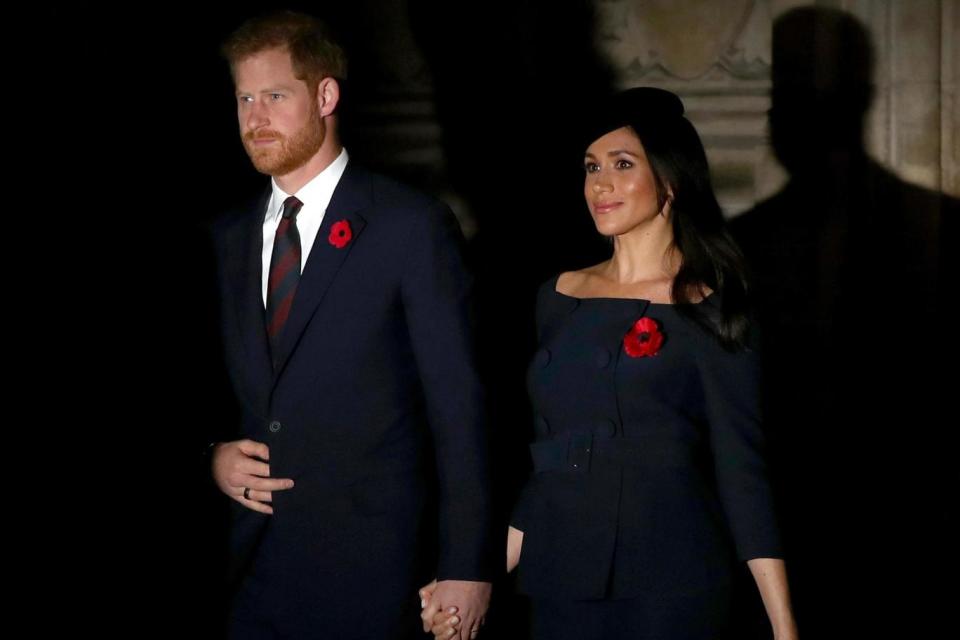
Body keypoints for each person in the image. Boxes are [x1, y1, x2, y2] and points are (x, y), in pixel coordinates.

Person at [422, 87, 797, 639]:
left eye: (622, 165)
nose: (600, 183)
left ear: (669, 180)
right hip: (559, 579)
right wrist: (468, 578)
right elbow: (549, 465)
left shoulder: (714, 308)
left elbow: (743, 476)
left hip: (674, 583)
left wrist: (784, 628)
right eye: (592, 167)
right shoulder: (558, 295)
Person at [207, 10, 495, 639]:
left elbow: (459, 408)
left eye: (275, 96)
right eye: (244, 98)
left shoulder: (409, 226)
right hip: (246, 571)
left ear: (325, 94)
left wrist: (467, 565)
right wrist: (212, 456)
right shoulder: (226, 238)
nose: (255, 118)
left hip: (373, 573)